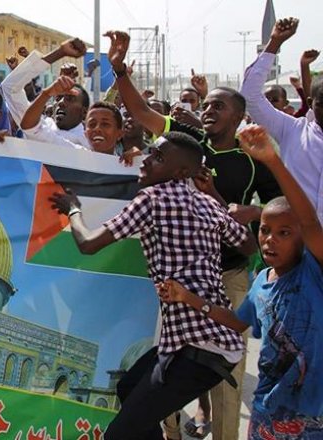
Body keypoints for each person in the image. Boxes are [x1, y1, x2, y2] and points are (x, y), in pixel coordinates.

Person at [109, 28, 281, 439]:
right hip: (178, 278)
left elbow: (276, 208)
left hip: (228, 277)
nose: (208, 111)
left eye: (218, 106)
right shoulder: (187, 145)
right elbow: (140, 111)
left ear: (239, 116)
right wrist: (118, 69)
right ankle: (168, 432)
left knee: (221, 377)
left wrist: (246, 210)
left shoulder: (252, 159)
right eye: (205, 105)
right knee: (161, 373)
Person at [50, 131, 257, 439]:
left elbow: (89, 244)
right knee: (128, 386)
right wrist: (213, 193)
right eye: (151, 152)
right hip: (201, 341)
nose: (146, 161)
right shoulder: (207, 204)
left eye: (158, 158)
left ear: (182, 172)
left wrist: (73, 209)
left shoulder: (152, 198)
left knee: (119, 434)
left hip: (197, 349)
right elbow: (250, 245)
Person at [157, 125, 323, 439]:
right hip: (267, 415)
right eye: (264, 230)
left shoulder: (314, 272)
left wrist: (273, 161)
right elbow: (234, 322)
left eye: (284, 233)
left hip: (312, 419)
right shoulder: (262, 280)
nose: (270, 240)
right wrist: (187, 297)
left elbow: (309, 220)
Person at [241, 17, 323, 223]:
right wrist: (274, 44)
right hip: (297, 244)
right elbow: (250, 95)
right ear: (311, 102)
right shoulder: (292, 130)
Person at [0, 35, 88, 145]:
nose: (61, 103)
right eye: (58, 97)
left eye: (70, 99)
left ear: (84, 112)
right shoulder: (39, 124)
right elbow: (10, 87)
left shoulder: (89, 145)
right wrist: (60, 52)